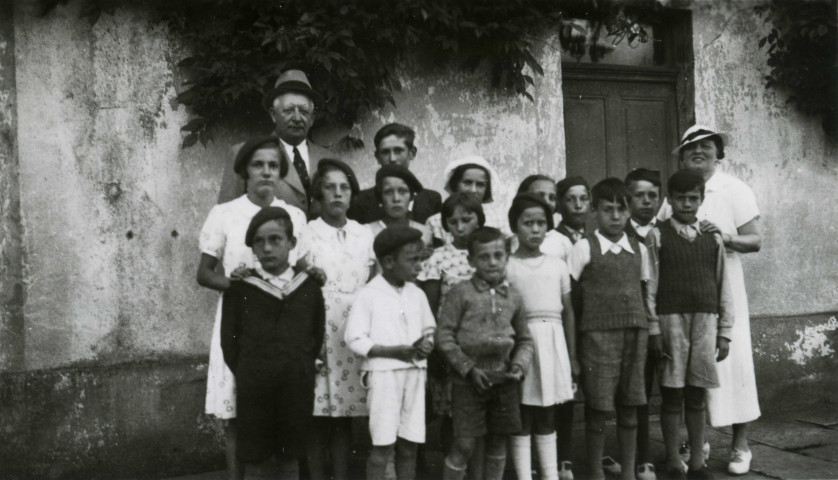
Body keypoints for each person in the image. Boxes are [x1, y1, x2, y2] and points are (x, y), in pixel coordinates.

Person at [197, 136, 308, 480]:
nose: (266, 172)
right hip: (238, 324)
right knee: (237, 416)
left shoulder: (294, 216)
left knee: (280, 413)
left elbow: (302, 270)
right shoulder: (225, 214)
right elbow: (204, 273)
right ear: (245, 170)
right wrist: (237, 286)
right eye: (258, 165)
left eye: (273, 165)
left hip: (282, 327)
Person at [658, 125, 762, 475]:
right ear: (682, 157)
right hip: (684, 300)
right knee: (693, 374)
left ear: (719, 154)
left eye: (706, 146)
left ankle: (740, 445)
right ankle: (697, 442)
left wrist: (723, 237)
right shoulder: (675, 195)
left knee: (734, 366)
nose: (698, 151)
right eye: (691, 148)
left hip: (723, 287)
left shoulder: (734, 188)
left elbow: (755, 240)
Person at [220, 207, 325, 480]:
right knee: (255, 458)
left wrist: (299, 366)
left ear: (291, 242)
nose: (267, 248)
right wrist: (249, 371)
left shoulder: (308, 287)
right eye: (259, 241)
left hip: (295, 384)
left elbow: (316, 334)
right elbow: (229, 342)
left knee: (290, 455)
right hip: (255, 386)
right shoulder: (241, 288)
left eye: (275, 239)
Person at [645, 170, 735, 480]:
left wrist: (725, 332)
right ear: (669, 200)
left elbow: (724, 286)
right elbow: (650, 286)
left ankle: (698, 463)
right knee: (672, 395)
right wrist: (654, 329)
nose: (686, 204)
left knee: (697, 395)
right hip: (670, 323)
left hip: (705, 323)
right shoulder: (657, 236)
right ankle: (673, 461)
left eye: (693, 198)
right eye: (680, 198)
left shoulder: (713, 238)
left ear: (701, 199)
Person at [567, 178, 651, 480]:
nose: (615, 216)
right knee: (598, 409)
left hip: (634, 337)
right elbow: (571, 302)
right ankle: (596, 473)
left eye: (621, 209)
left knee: (629, 407)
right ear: (594, 211)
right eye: (607, 209)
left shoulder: (639, 249)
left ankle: (628, 473)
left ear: (629, 211)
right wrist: (575, 350)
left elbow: (644, 292)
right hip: (597, 339)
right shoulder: (583, 248)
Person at [436, 227, 535, 480]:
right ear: (471, 261)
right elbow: (444, 335)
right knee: (464, 444)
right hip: (468, 380)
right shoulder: (460, 293)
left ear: (507, 257)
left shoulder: (514, 296)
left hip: (504, 379)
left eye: (498, 255)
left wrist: (519, 366)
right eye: (484, 257)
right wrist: (468, 368)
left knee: (498, 441)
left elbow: (525, 339)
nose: (492, 262)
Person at [297, 159, 374, 480]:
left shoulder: (363, 233)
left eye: (344, 188)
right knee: (317, 415)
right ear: (318, 194)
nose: (338, 193)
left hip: (352, 328)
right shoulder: (307, 233)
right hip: (317, 327)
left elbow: (374, 280)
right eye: (330, 187)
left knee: (343, 414)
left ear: (352, 194)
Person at [344, 226, 437, 480]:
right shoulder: (368, 295)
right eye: (412, 260)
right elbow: (355, 337)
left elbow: (429, 329)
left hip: (414, 375)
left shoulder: (417, 294)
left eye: (420, 259)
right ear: (388, 262)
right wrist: (392, 352)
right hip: (384, 377)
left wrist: (426, 344)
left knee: (409, 444)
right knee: (383, 445)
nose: (419, 266)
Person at [506, 194, 578, 480]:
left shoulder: (557, 265)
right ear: (515, 226)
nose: (535, 229)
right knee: (523, 412)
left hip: (553, 341)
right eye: (528, 223)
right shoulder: (508, 266)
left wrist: (572, 355)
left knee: (548, 412)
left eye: (540, 223)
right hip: (521, 343)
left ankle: (550, 474)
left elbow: (568, 311)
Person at [417, 193, 486, 468]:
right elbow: (431, 308)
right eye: (453, 221)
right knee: (452, 415)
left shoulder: (487, 254)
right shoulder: (439, 258)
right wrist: (437, 349)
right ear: (445, 224)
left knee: (479, 416)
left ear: (479, 220)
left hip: (483, 347)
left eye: (467, 220)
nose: (460, 227)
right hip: (451, 349)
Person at [218, 69, 331, 215]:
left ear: (312, 118)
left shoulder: (328, 160)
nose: (297, 118)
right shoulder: (244, 154)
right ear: (273, 114)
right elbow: (225, 217)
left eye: (304, 112)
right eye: (289, 110)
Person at [624, 168, 662, 480]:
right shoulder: (619, 234)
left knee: (677, 390)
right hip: (636, 324)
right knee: (640, 392)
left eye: (653, 195)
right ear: (628, 198)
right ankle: (642, 456)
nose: (647, 201)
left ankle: (683, 448)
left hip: (669, 320)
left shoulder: (667, 231)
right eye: (640, 195)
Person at [552, 175, 591, 479]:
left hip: (593, 323)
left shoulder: (596, 238)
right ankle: (562, 457)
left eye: (583, 198)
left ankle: (596, 453)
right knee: (564, 392)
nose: (577, 205)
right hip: (566, 321)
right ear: (559, 204)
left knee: (596, 391)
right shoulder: (555, 240)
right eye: (570, 199)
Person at [348, 123, 443, 224]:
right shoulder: (360, 201)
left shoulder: (432, 200)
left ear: (412, 153)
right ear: (377, 157)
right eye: (385, 152)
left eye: (398, 151)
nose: (392, 159)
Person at [426, 155, 510, 246]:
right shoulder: (435, 221)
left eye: (480, 185)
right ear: (455, 184)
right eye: (467, 183)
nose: (473, 190)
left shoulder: (500, 218)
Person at [365, 164, 433, 250]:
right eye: (388, 192)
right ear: (380, 197)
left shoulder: (424, 233)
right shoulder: (367, 233)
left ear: (411, 196)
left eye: (402, 191)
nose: (396, 199)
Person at [515, 175, 565, 258]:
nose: (547, 202)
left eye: (552, 198)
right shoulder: (510, 243)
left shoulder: (562, 242)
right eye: (540, 196)